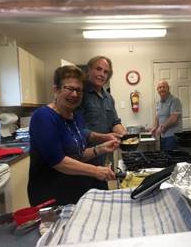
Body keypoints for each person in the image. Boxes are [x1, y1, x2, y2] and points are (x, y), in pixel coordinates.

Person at [28, 65, 118, 206]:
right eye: (69, 89)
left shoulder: (76, 117)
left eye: (79, 90)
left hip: (74, 192)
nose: (75, 94)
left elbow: (77, 154)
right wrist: (95, 171)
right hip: (50, 197)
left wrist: (101, 148)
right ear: (56, 90)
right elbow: (58, 161)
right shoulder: (43, 117)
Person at [79, 56, 127, 168]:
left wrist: (125, 136)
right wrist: (104, 137)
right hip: (83, 158)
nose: (102, 74)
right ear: (89, 70)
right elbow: (75, 129)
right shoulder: (80, 94)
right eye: (98, 69)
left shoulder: (109, 98)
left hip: (102, 157)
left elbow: (114, 122)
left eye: (106, 72)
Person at [151, 80, 182, 151]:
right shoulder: (158, 103)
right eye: (159, 87)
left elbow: (174, 118)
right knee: (165, 158)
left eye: (164, 87)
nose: (161, 89)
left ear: (168, 88)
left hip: (173, 136)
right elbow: (157, 116)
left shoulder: (175, 101)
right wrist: (155, 127)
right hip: (163, 136)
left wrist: (161, 128)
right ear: (157, 90)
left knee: (172, 159)